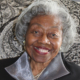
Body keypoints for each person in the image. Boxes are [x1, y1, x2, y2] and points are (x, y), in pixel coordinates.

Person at [0, 0, 80, 80]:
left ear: (63, 39)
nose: (43, 40)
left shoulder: (77, 75)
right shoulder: (1, 69)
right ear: (25, 34)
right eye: (36, 32)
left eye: (53, 35)